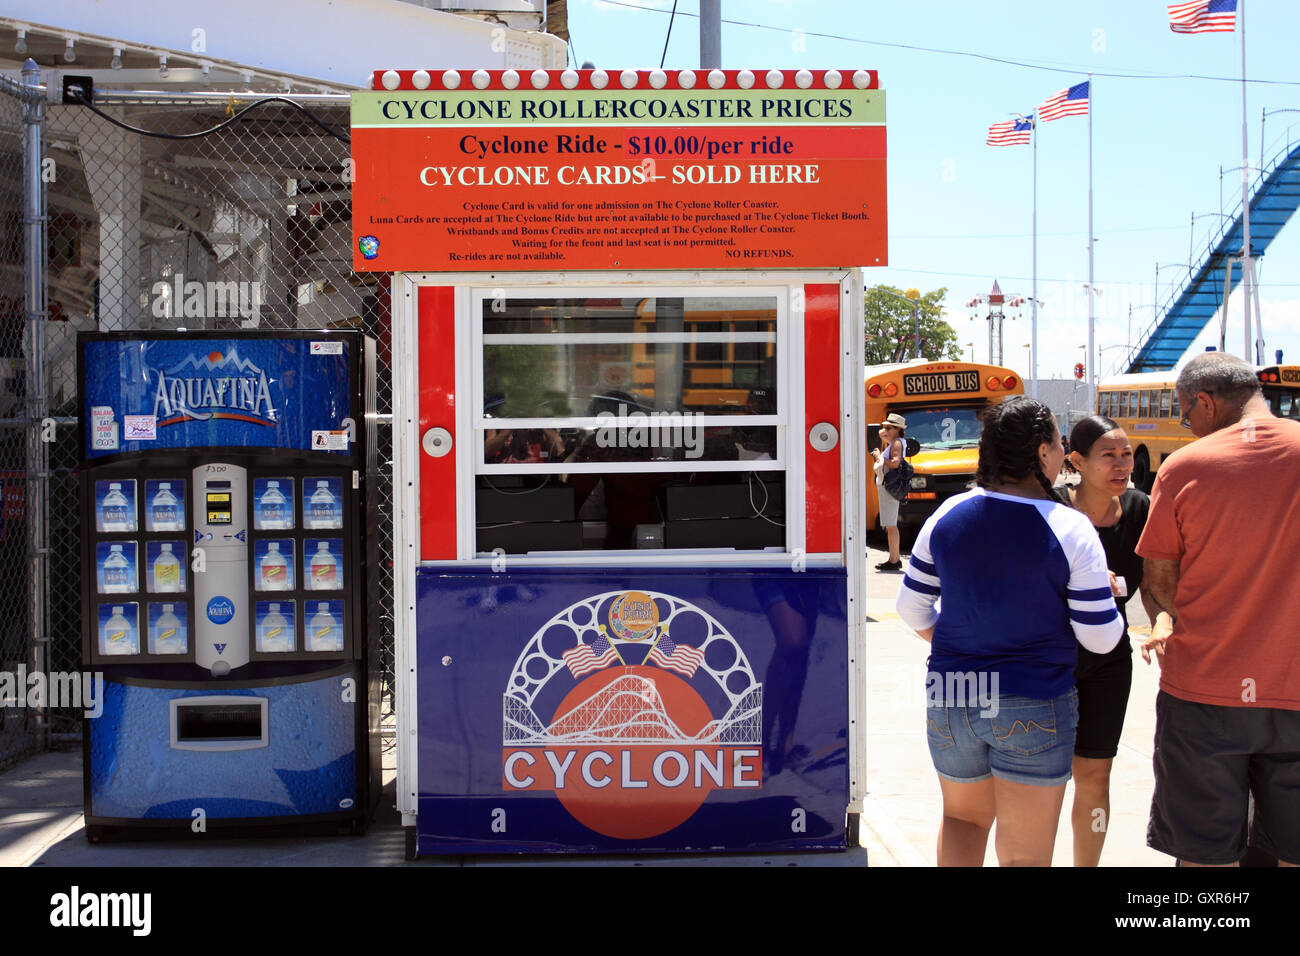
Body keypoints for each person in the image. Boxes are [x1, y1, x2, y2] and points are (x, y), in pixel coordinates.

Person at [896, 397, 1123, 866]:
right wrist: (1107, 595)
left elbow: (911, 608)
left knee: (962, 821)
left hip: (951, 692)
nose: (1063, 455)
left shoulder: (947, 514)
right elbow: (1100, 639)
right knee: (1025, 853)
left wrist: (964, 650)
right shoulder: (1071, 529)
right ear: (1042, 453)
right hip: (1033, 698)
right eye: (1059, 445)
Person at [1135, 352, 1300, 868]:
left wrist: (1165, 619)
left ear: (1204, 402)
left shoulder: (1186, 466)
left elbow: (1159, 579)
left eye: (1186, 415)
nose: (1188, 426)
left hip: (1205, 693)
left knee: (1205, 858)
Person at [1056, 415, 1161, 866]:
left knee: (1096, 775)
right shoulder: (1051, 507)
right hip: (1049, 658)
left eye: (1126, 454)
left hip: (1109, 660)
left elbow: (1158, 581)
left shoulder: (1141, 508)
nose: (1123, 465)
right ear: (1076, 461)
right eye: (1108, 456)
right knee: (1039, 780)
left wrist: (1162, 622)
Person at [872, 412, 906, 571]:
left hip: (889, 487)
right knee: (889, 524)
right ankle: (894, 558)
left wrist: (879, 457)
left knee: (891, 525)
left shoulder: (897, 443)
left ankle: (894, 559)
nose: (885, 430)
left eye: (889, 428)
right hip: (887, 486)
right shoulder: (895, 443)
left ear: (897, 429)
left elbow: (894, 463)